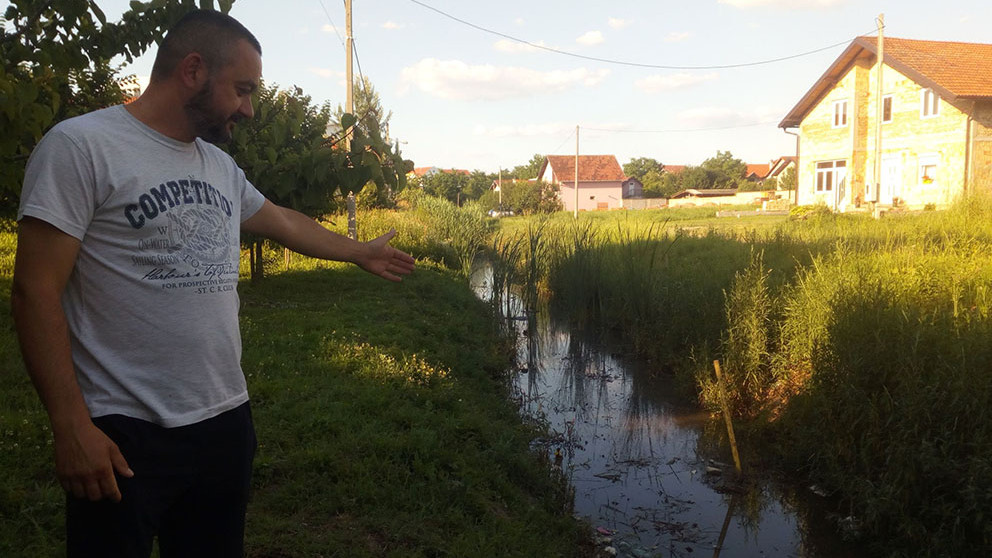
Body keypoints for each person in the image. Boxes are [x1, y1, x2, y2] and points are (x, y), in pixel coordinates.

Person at [11, 9, 415, 557]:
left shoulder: (218, 167)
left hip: (223, 422)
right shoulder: (82, 147)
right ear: (193, 70)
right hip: (121, 430)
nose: (248, 109)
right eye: (242, 90)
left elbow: (281, 220)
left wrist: (359, 253)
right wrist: (70, 427)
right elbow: (35, 291)